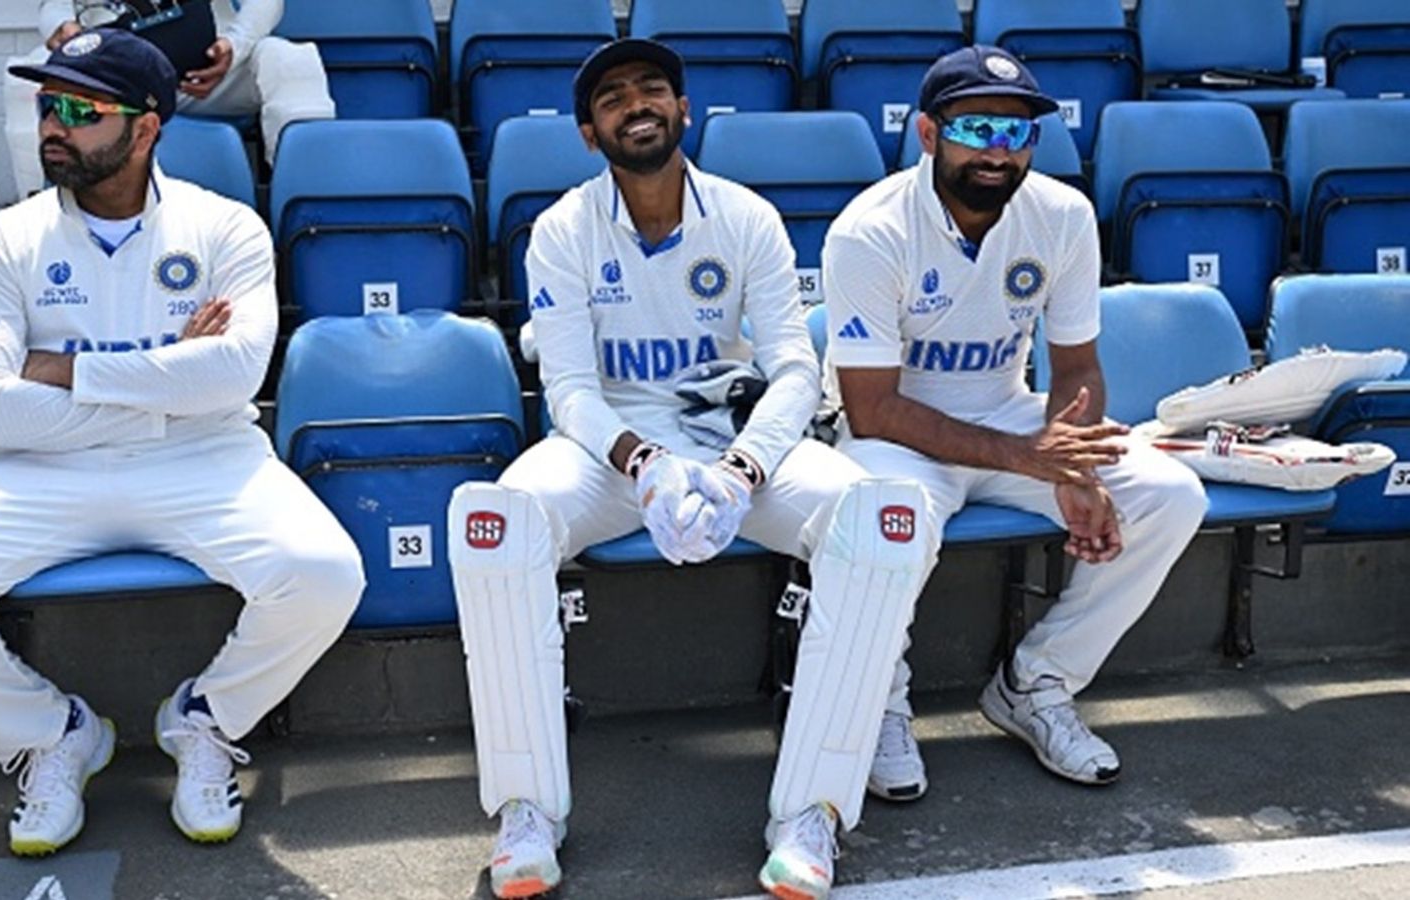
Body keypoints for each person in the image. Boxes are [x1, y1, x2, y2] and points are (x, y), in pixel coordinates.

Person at [0, 30, 363, 857]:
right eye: (49, 106)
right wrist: (168, 388)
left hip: (206, 461)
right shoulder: (2, 240)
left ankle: (204, 719)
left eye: (81, 110)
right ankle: (54, 734)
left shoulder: (225, 227)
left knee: (327, 575)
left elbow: (233, 377)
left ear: (147, 126)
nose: (55, 124)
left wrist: (60, 370)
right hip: (38, 471)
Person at [446, 39, 928, 900]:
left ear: (683, 110)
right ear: (590, 135)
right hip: (614, 450)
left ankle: (810, 812)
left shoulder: (746, 218)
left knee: (879, 521)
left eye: (653, 90)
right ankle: (527, 808)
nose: (637, 104)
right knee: (500, 520)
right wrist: (646, 464)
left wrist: (743, 470)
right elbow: (568, 387)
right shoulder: (561, 229)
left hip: (733, 438)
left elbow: (791, 369)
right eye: (613, 98)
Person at [823, 45, 1208, 802]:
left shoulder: (1061, 215)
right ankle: (879, 703)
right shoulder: (867, 231)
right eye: (976, 131)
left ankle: (1036, 684)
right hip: (897, 435)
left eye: (1016, 134)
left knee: (1170, 495)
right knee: (883, 517)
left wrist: (1079, 465)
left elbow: (1075, 369)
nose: (997, 153)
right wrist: (1036, 458)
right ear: (929, 134)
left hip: (1012, 415)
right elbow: (872, 406)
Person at [3, 0, 334, 198]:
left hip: (205, 71)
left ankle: (311, 208)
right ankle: (37, 213)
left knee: (291, 60)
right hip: (113, 79)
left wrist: (235, 46)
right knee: (19, 79)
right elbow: (53, 5)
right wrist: (62, 28)